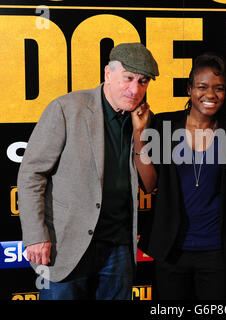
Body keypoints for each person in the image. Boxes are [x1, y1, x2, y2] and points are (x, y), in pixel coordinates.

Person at [17, 43, 158, 300]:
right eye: (128, 78)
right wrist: (36, 236)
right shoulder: (67, 108)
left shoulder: (144, 118)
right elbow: (32, 174)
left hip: (118, 247)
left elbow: (149, 185)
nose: (135, 89)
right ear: (108, 73)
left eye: (143, 81)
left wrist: (140, 134)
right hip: (66, 245)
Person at [138, 53, 226, 300]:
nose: (211, 95)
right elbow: (149, 184)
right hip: (172, 249)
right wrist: (139, 134)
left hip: (217, 251)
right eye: (202, 87)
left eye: (219, 88)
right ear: (190, 89)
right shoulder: (165, 126)